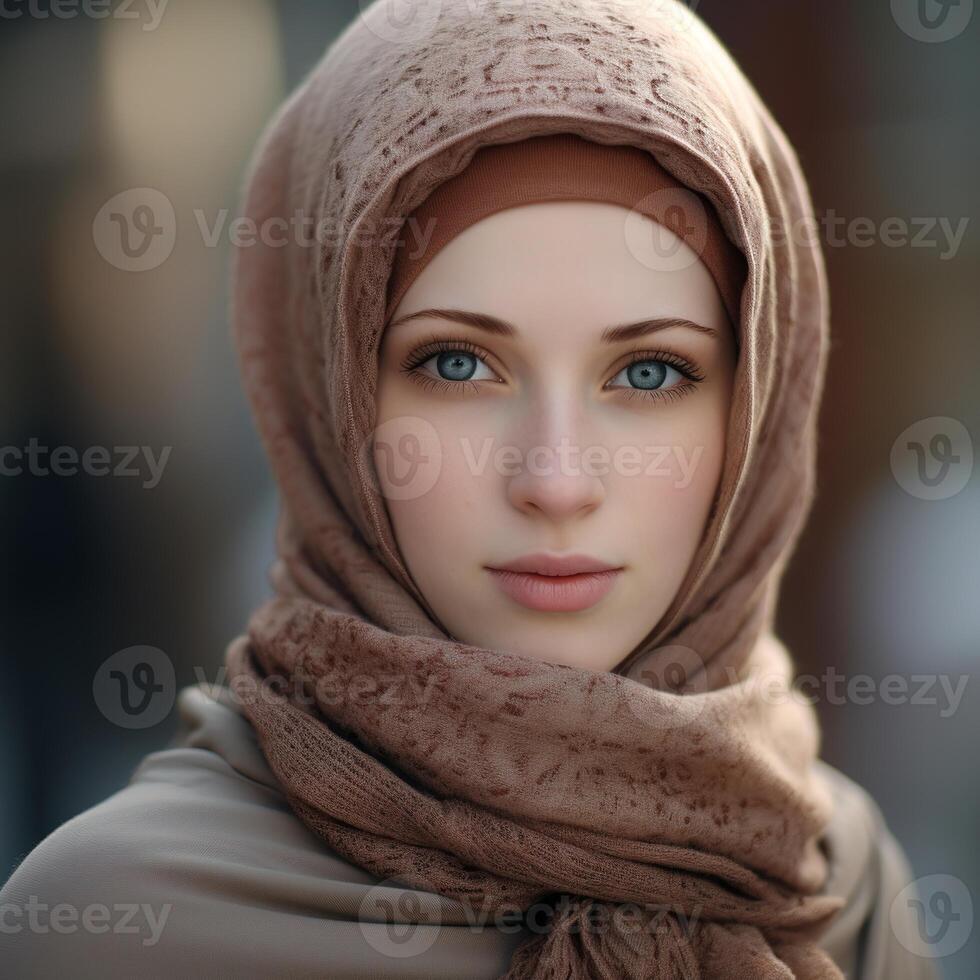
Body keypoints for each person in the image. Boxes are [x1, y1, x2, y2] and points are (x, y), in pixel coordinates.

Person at [0, 1, 940, 977]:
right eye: (455, 363)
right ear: (331, 393)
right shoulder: (110, 920)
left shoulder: (838, 880)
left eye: (650, 372)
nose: (556, 480)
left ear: (756, 404)